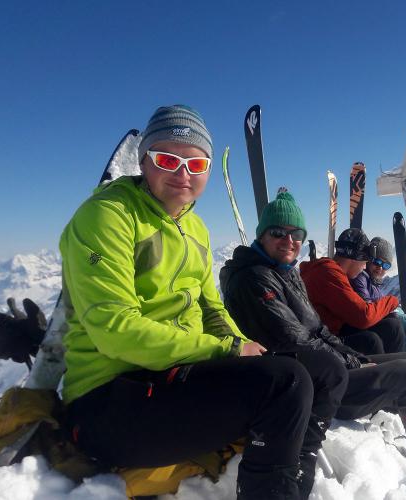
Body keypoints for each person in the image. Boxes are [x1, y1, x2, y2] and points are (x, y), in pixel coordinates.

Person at [58, 105, 329, 499]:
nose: (183, 173)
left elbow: (210, 309)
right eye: (167, 159)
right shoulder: (108, 216)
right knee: (285, 385)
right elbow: (115, 331)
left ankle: (287, 482)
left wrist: (249, 349)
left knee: (309, 371)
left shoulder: (194, 226)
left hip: (170, 377)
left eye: (196, 162)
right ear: (143, 161)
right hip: (107, 401)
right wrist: (227, 348)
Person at [220, 191, 406, 463]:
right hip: (310, 388)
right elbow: (294, 342)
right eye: (278, 232)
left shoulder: (283, 274)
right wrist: (353, 364)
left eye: (296, 233)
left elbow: (318, 331)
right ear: (262, 234)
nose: (289, 240)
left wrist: (354, 359)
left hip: (323, 373)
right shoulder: (255, 280)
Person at [299, 228, 406, 355]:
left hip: (328, 332)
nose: (364, 267)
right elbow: (364, 316)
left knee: (391, 326)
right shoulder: (329, 274)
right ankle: (391, 372)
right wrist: (392, 301)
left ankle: (397, 369)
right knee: (371, 341)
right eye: (365, 260)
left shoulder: (333, 271)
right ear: (355, 258)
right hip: (322, 340)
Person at [350, 237, 406, 364]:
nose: (380, 268)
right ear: (369, 259)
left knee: (401, 316)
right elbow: (367, 306)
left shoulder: (371, 280)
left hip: (373, 320)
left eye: (385, 265)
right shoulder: (360, 277)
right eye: (377, 262)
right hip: (364, 323)